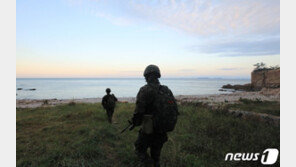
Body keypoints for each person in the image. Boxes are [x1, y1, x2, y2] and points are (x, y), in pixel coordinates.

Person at [131, 65, 179, 167]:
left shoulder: (145, 90)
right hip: (162, 129)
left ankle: (147, 164)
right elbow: (174, 108)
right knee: (156, 154)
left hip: (149, 128)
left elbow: (139, 111)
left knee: (139, 148)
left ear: (146, 76)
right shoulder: (166, 90)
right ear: (158, 76)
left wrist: (135, 122)